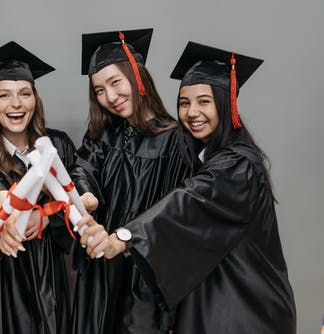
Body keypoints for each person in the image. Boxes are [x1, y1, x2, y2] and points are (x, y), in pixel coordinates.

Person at [81, 41, 297, 333]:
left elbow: (190, 200)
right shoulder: (209, 154)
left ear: (225, 103)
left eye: (204, 101)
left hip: (245, 307)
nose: (192, 112)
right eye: (184, 103)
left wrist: (123, 236)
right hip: (213, 304)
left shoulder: (238, 164)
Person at [69, 28, 190, 334]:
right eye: (99, 90)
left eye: (115, 82)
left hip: (144, 281)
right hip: (100, 272)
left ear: (138, 77)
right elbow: (82, 168)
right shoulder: (103, 136)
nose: (110, 97)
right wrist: (85, 196)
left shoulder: (175, 140)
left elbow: (177, 215)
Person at [0, 41, 76, 334]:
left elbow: (75, 196)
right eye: (5, 95)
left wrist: (45, 218)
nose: (16, 104)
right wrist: (11, 213)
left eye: (25, 94)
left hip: (48, 268)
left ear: (35, 100)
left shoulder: (57, 144)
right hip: (2, 273)